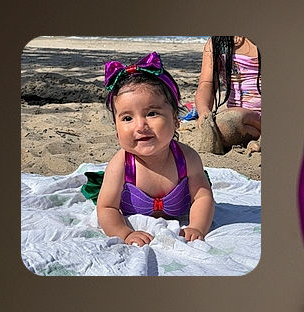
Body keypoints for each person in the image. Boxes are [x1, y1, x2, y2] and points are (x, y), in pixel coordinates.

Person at [87, 52, 214, 246]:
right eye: (127, 118)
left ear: (175, 120)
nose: (140, 126)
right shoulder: (121, 164)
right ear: (116, 129)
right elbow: (106, 208)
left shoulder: (187, 158)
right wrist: (125, 233)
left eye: (152, 113)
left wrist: (197, 226)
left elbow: (202, 197)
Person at [193, 36, 261, 155]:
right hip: (241, 115)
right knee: (222, 125)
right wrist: (204, 111)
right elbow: (206, 84)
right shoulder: (219, 43)